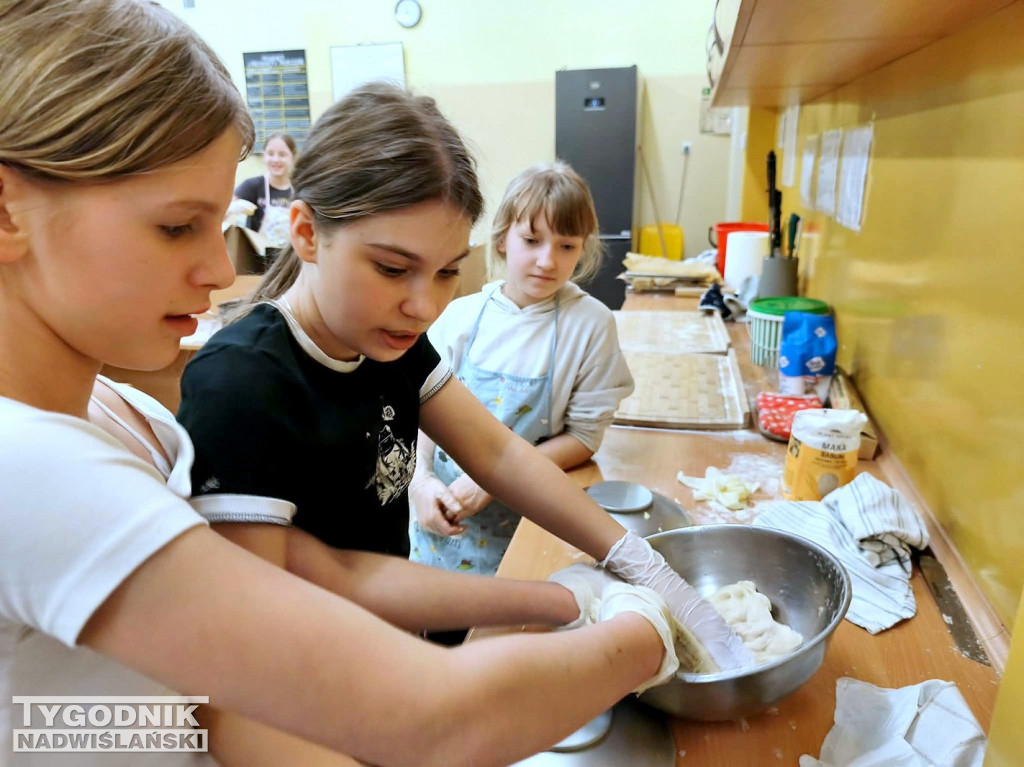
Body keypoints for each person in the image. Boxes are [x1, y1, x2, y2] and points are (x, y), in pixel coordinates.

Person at [0, 2, 686, 765]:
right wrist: (652, 632)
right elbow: (290, 707)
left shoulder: (125, 414)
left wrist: (595, 581)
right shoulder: (32, 466)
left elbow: (281, 609)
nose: (225, 271)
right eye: (174, 226)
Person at [176, 83, 753, 671]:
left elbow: (498, 454)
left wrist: (635, 560)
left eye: (448, 271)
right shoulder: (241, 385)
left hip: (389, 643)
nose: (424, 307)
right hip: (309, 680)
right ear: (305, 233)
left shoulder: (387, 342)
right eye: (393, 268)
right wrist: (564, 599)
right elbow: (310, 595)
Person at [408, 161, 633, 576]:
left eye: (566, 246)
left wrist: (496, 480)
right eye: (531, 240)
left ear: (583, 248)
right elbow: (421, 410)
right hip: (439, 520)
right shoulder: (461, 317)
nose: (547, 260)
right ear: (501, 240)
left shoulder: (590, 325)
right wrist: (420, 481)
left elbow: (583, 438)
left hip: (529, 520)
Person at [227, 131, 296, 249]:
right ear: (264, 155)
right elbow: (220, 215)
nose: (275, 159)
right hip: (258, 259)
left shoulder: (299, 189)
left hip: (290, 259)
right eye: (270, 153)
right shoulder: (252, 186)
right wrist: (232, 209)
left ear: (293, 156)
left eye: (282, 154)